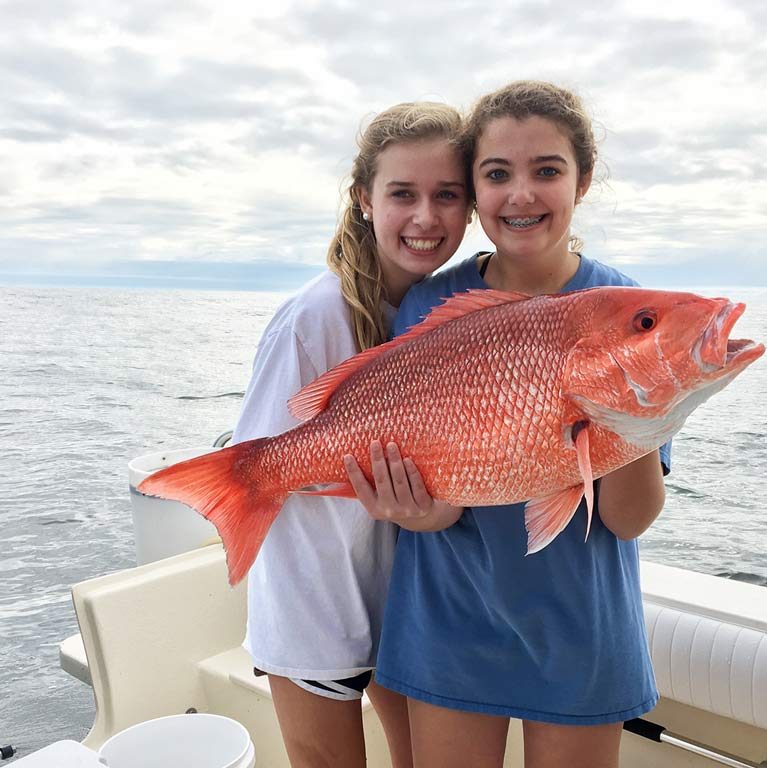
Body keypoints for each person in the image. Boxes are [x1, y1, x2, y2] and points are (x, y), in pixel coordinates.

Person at [345, 81, 671, 768]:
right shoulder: (433, 301)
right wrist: (419, 512)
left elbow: (628, 520)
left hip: (582, 627)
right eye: (497, 174)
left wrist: (632, 418)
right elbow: (416, 459)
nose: (522, 194)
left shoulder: (631, 311)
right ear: (474, 191)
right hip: (448, 619)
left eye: (547, 170)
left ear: (581, 183)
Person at [230, 102, 470, 768]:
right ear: (364, 198)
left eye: (446, 195)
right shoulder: (312, 318)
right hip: (316, 609)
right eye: (402, 194)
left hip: (407, 604)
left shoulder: (447, 314)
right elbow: (253, 462)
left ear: (471, 208)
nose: (425, 217)